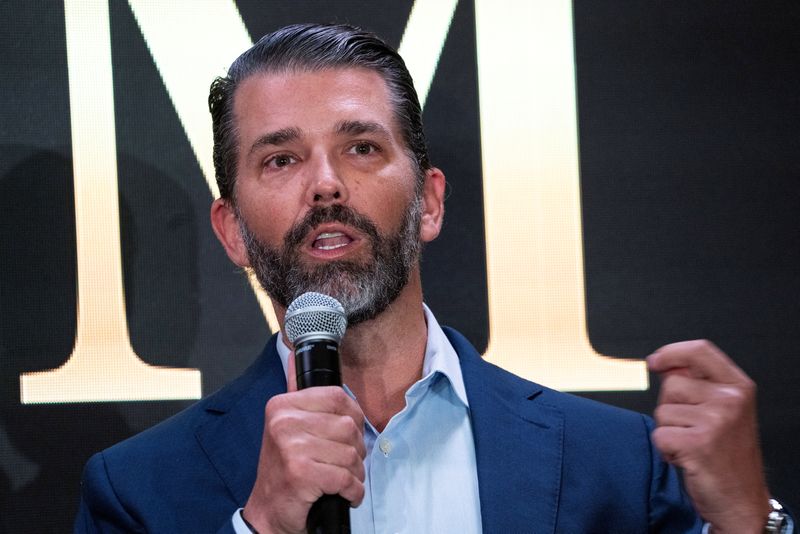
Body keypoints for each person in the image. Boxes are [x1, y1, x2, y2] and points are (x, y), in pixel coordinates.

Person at [75, 23, 792, 533]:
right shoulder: (138, 493)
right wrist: (258, 530)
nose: (326, 185)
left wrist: (746, 522)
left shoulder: (618, 465)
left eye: (360, 147)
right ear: (232, 231)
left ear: (431, 204)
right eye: (282, 159)